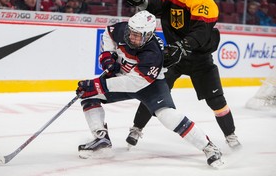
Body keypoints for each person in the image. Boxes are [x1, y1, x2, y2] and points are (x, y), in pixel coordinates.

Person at [75, 10, 223, 168]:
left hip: (151, 86)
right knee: (88, 96)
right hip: (125, 78)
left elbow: (135, 83)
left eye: (137, 35)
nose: (132, 37)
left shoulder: (153, 53)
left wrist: (99, 85)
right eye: (131, 33)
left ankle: (209, 147)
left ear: (148, 35)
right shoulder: (122, 29)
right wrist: (107, 56)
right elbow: (108, 33)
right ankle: (101, 138)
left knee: (167, 116)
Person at [125, 0, 241, 149]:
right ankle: (136, 128)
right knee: (153, 92)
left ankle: (231, 135)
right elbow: (157, 7)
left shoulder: (205, 2)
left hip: (199, 58)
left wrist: (183, 46)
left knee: (216, 100)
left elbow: (201, 32)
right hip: (174, 56)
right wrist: (140, 1)